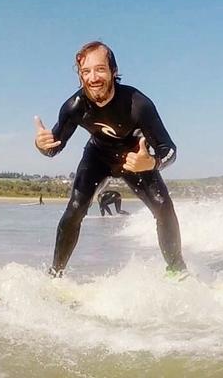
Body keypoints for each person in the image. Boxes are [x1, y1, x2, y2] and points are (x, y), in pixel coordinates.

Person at [34, 41, 186, 278]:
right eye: (86, 72)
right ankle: (55, 274)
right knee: (74, 210)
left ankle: (178, 272)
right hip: (98, 156)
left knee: (164, 210)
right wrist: (41, 145)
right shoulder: (74, 106)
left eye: (100, 69)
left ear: (113, 72)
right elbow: (54, 148)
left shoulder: (138, 104)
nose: (93, 77)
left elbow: (169, 149)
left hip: (135, 158)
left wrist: (152, 163)